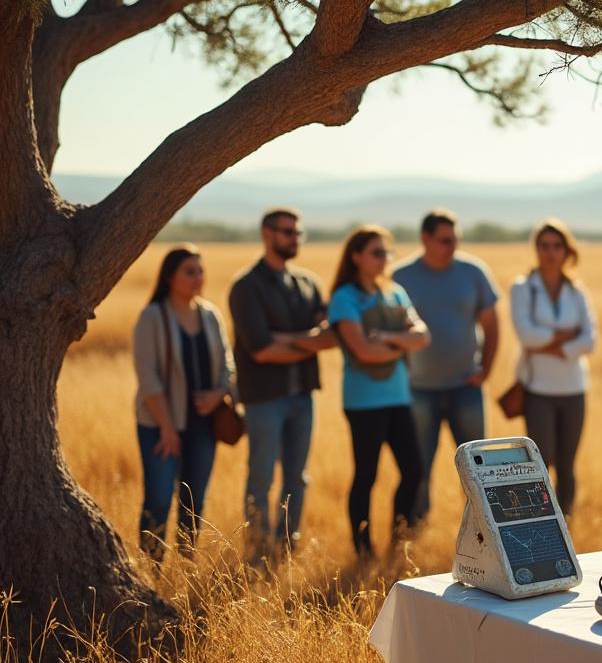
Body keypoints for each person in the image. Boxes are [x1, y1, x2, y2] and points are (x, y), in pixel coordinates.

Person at [229, 207, 335, 560]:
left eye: (298, 232)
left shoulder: (307, 283)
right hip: (263, 398)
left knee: (297, 478)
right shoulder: (246, 287)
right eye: (287, 232)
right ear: (267, 234)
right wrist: (307, 342)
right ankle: (257, 553)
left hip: (302, 396)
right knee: (260, 479)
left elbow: (329, 337)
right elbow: (261, 351)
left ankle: (286, 549)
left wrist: (285, 340)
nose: (294, 238)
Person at [330, 226, 431, 557]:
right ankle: (363, 550)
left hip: (397, 397)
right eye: (376, 252)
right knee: (366, 475)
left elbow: (422, 336)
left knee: (414, 471)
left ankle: (397, 542)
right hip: (363, 402)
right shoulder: (344, 297)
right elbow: (362, 351)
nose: (384, 258)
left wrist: (388, 340)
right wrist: (402, 343)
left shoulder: (395, 292)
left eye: (387, 252)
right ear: (356, 257)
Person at [394, 210, 500, 521]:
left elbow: (492, 325)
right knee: (418, 469)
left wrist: (487, 370)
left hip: (465, 387)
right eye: (444, 240)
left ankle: (482, 530)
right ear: (425, 238)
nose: (451, 246)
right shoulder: (401, 276)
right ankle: (412, 536)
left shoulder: (473, 271)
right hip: (418, 391)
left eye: (455, 239)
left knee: (476, 469)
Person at [132, 245, 235, 560]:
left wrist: (220, 393)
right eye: (189, 271)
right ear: (169, 277)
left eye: (200, 270)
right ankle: (152, 570)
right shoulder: (152, 317)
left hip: (203, 424)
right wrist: (166, 428)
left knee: (194, 502)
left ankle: (185, 567)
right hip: (159, 426)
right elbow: (147, 378)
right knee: (160, 499)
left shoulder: (209, 314)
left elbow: (228, 366)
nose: (198, 278)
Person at [509, 219, 596, 514]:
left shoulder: (577, 291)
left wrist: (552, 344)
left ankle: (566, 523)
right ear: (536, 249)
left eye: (557, 246)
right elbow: (525, 335)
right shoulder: (523, 288)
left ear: (566, 250)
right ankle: (541, 523)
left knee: (568, 465)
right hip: (538, 390)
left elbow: (590, 340)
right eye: (544, 246)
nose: (550, 252)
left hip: (574, 388)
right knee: (539, 464)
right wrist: (566, 338)